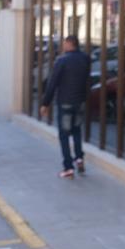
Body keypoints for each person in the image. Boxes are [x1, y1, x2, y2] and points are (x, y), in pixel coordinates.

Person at [39, 35, 89, 179]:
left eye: (64, 43)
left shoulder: (62, 60)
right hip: (79, 102)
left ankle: (68, 168)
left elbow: (52, 83)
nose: (63, 45)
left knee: (64, 135)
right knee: (77, 130)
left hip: (66, 102)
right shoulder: (85, 58)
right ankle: (79, 158)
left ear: (69, 44)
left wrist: (45, 103)